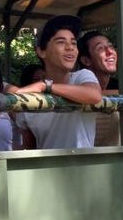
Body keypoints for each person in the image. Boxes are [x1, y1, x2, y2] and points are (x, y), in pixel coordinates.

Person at [15, 15, 102, 149]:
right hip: (46, 169)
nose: (70, 47)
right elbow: (29, 150)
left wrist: (46, 86)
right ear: (41, 52)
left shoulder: (81, 77)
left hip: (85, 168)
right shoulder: (29, 99)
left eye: (73, 43)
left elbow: (94, 95)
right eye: (61, 42)